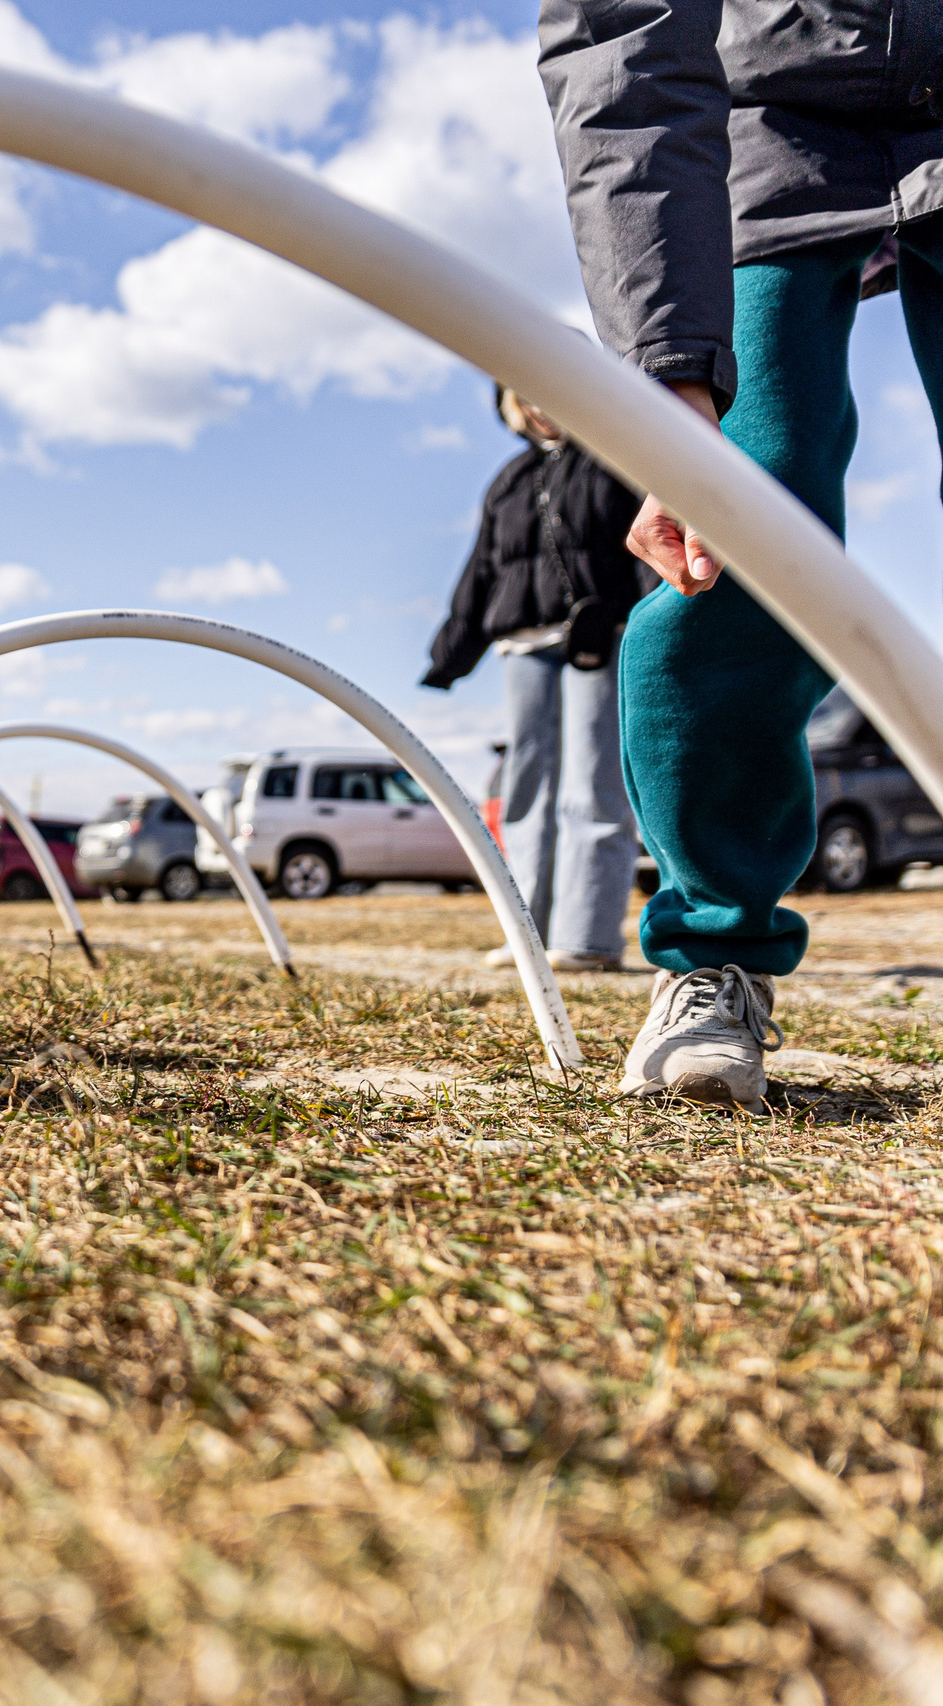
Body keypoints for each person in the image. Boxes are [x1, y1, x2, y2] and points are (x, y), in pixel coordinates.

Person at [539, 0, 943, 1108]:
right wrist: (671, 391)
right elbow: (622, 44)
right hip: (763, 113)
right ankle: (714, 950)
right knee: (742, 505)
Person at [423, 386, 654, 974]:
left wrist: (649, 622)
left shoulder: (615, 462)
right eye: (523, 394)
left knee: (593, 780)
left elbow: (644, 551)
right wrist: (450, 655)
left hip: (599, 638)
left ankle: (587, 938)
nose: (540, 404)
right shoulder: (508, 480)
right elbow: (482, 569)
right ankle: (527, 934)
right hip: (521, 647)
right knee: (527, 789)